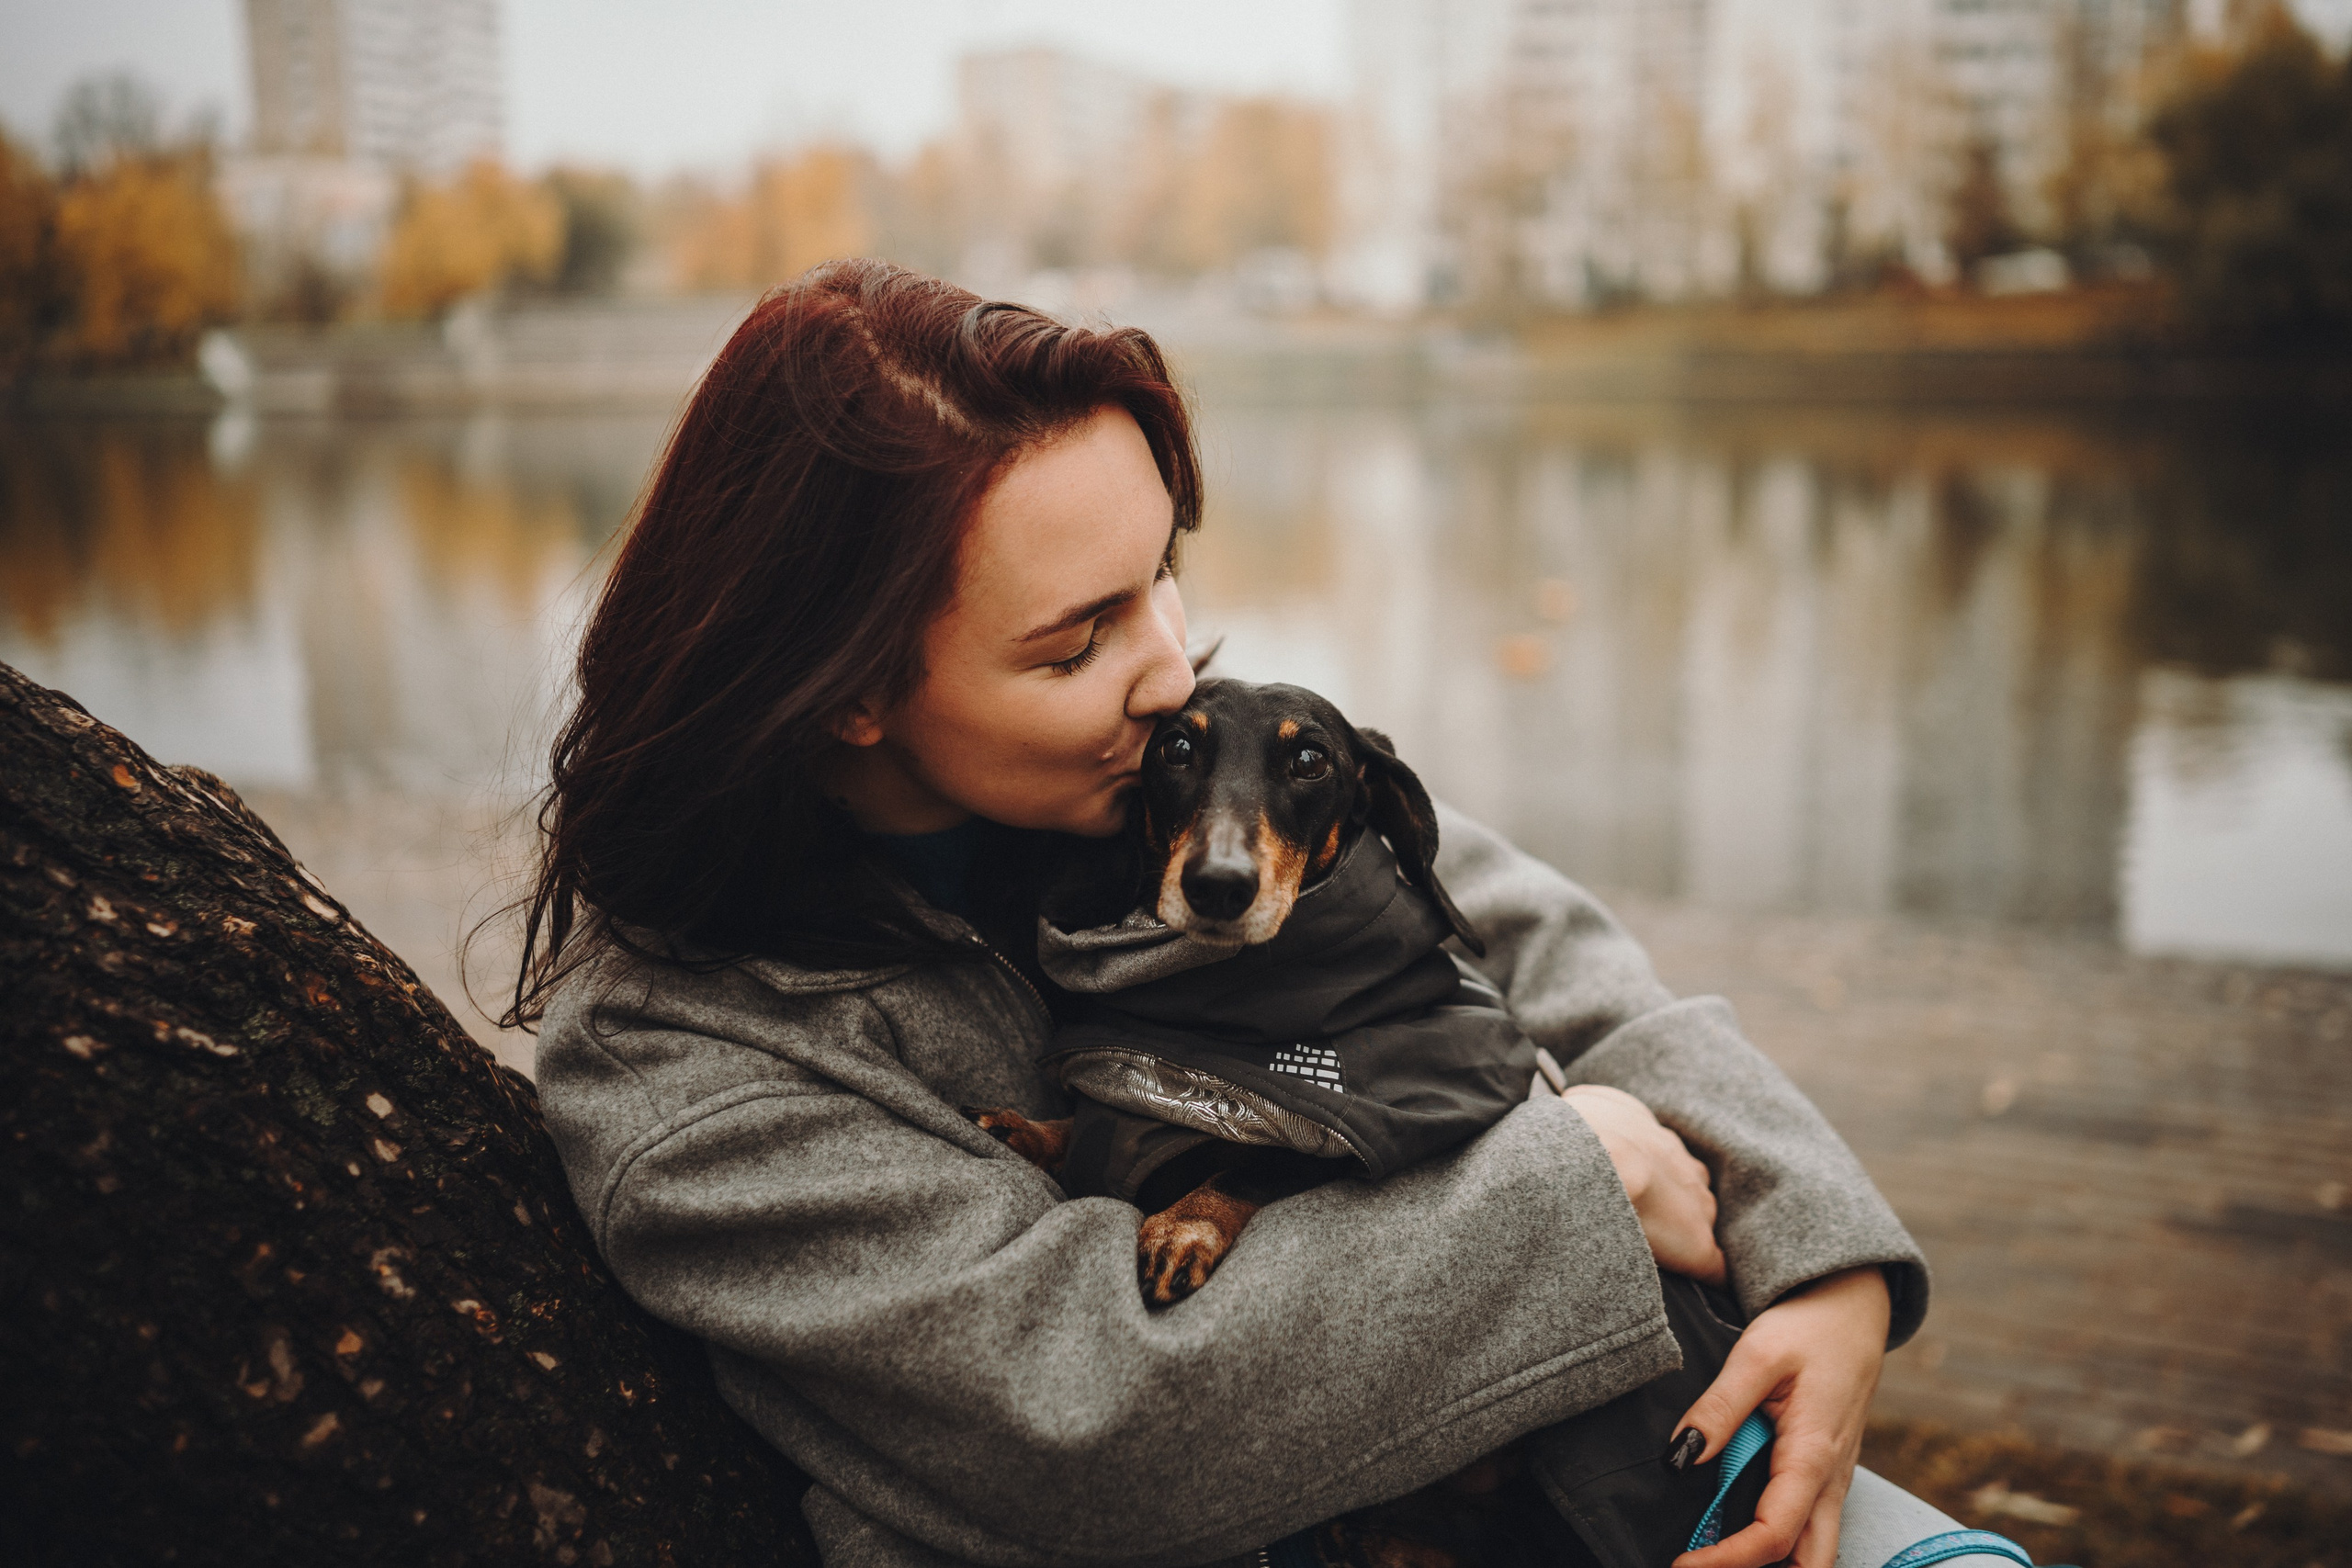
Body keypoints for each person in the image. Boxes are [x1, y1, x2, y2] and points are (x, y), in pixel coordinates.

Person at [515, 260, 2014, 1568]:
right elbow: (1083, 1415)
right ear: (843, 688)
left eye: (1159, 576)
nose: (1173, 673)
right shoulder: (683, 1065)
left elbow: (1542, 954)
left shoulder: (1157, 776)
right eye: (1079, 640)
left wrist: (1823, 1264)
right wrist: (1583, 1195)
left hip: (1610, 1472)